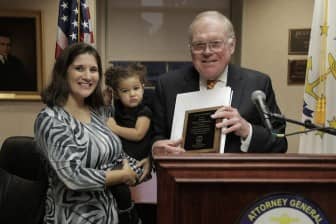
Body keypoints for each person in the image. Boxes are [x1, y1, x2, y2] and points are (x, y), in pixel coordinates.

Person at [34, 43, 144, 224]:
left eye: (93, 69)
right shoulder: (51, 119)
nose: (87, 76)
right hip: (72, 218)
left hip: (111, 214)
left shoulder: (97, 113)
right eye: (79, 68)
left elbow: (115, 156)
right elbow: (73, 176)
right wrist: (123, 175)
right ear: (64, 72)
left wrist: (143, 165)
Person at [151, 10, 288, 154]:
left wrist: (247, 130)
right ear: (190, 49)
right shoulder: (167, 85)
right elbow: (155, 137)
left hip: (238, 175)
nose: (207, 51)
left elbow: (279, 141)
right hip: (181, 175)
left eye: (215, 43)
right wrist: (156, 148)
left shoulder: (258, 84)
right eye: (199, 45)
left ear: (232, 46)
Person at [104, 63, 155, 219]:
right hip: (121, 157)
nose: (132, 94)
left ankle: (129, 215)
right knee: (106, 182)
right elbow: (106, 116)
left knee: (118, 184)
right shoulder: (118, 107)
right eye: (125, 91)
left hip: (138, 161)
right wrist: (107, 101)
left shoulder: (144, 110)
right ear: (117, 94)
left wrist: (115, 128)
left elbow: (138, 134)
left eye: (136, 88)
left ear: (143, 87)